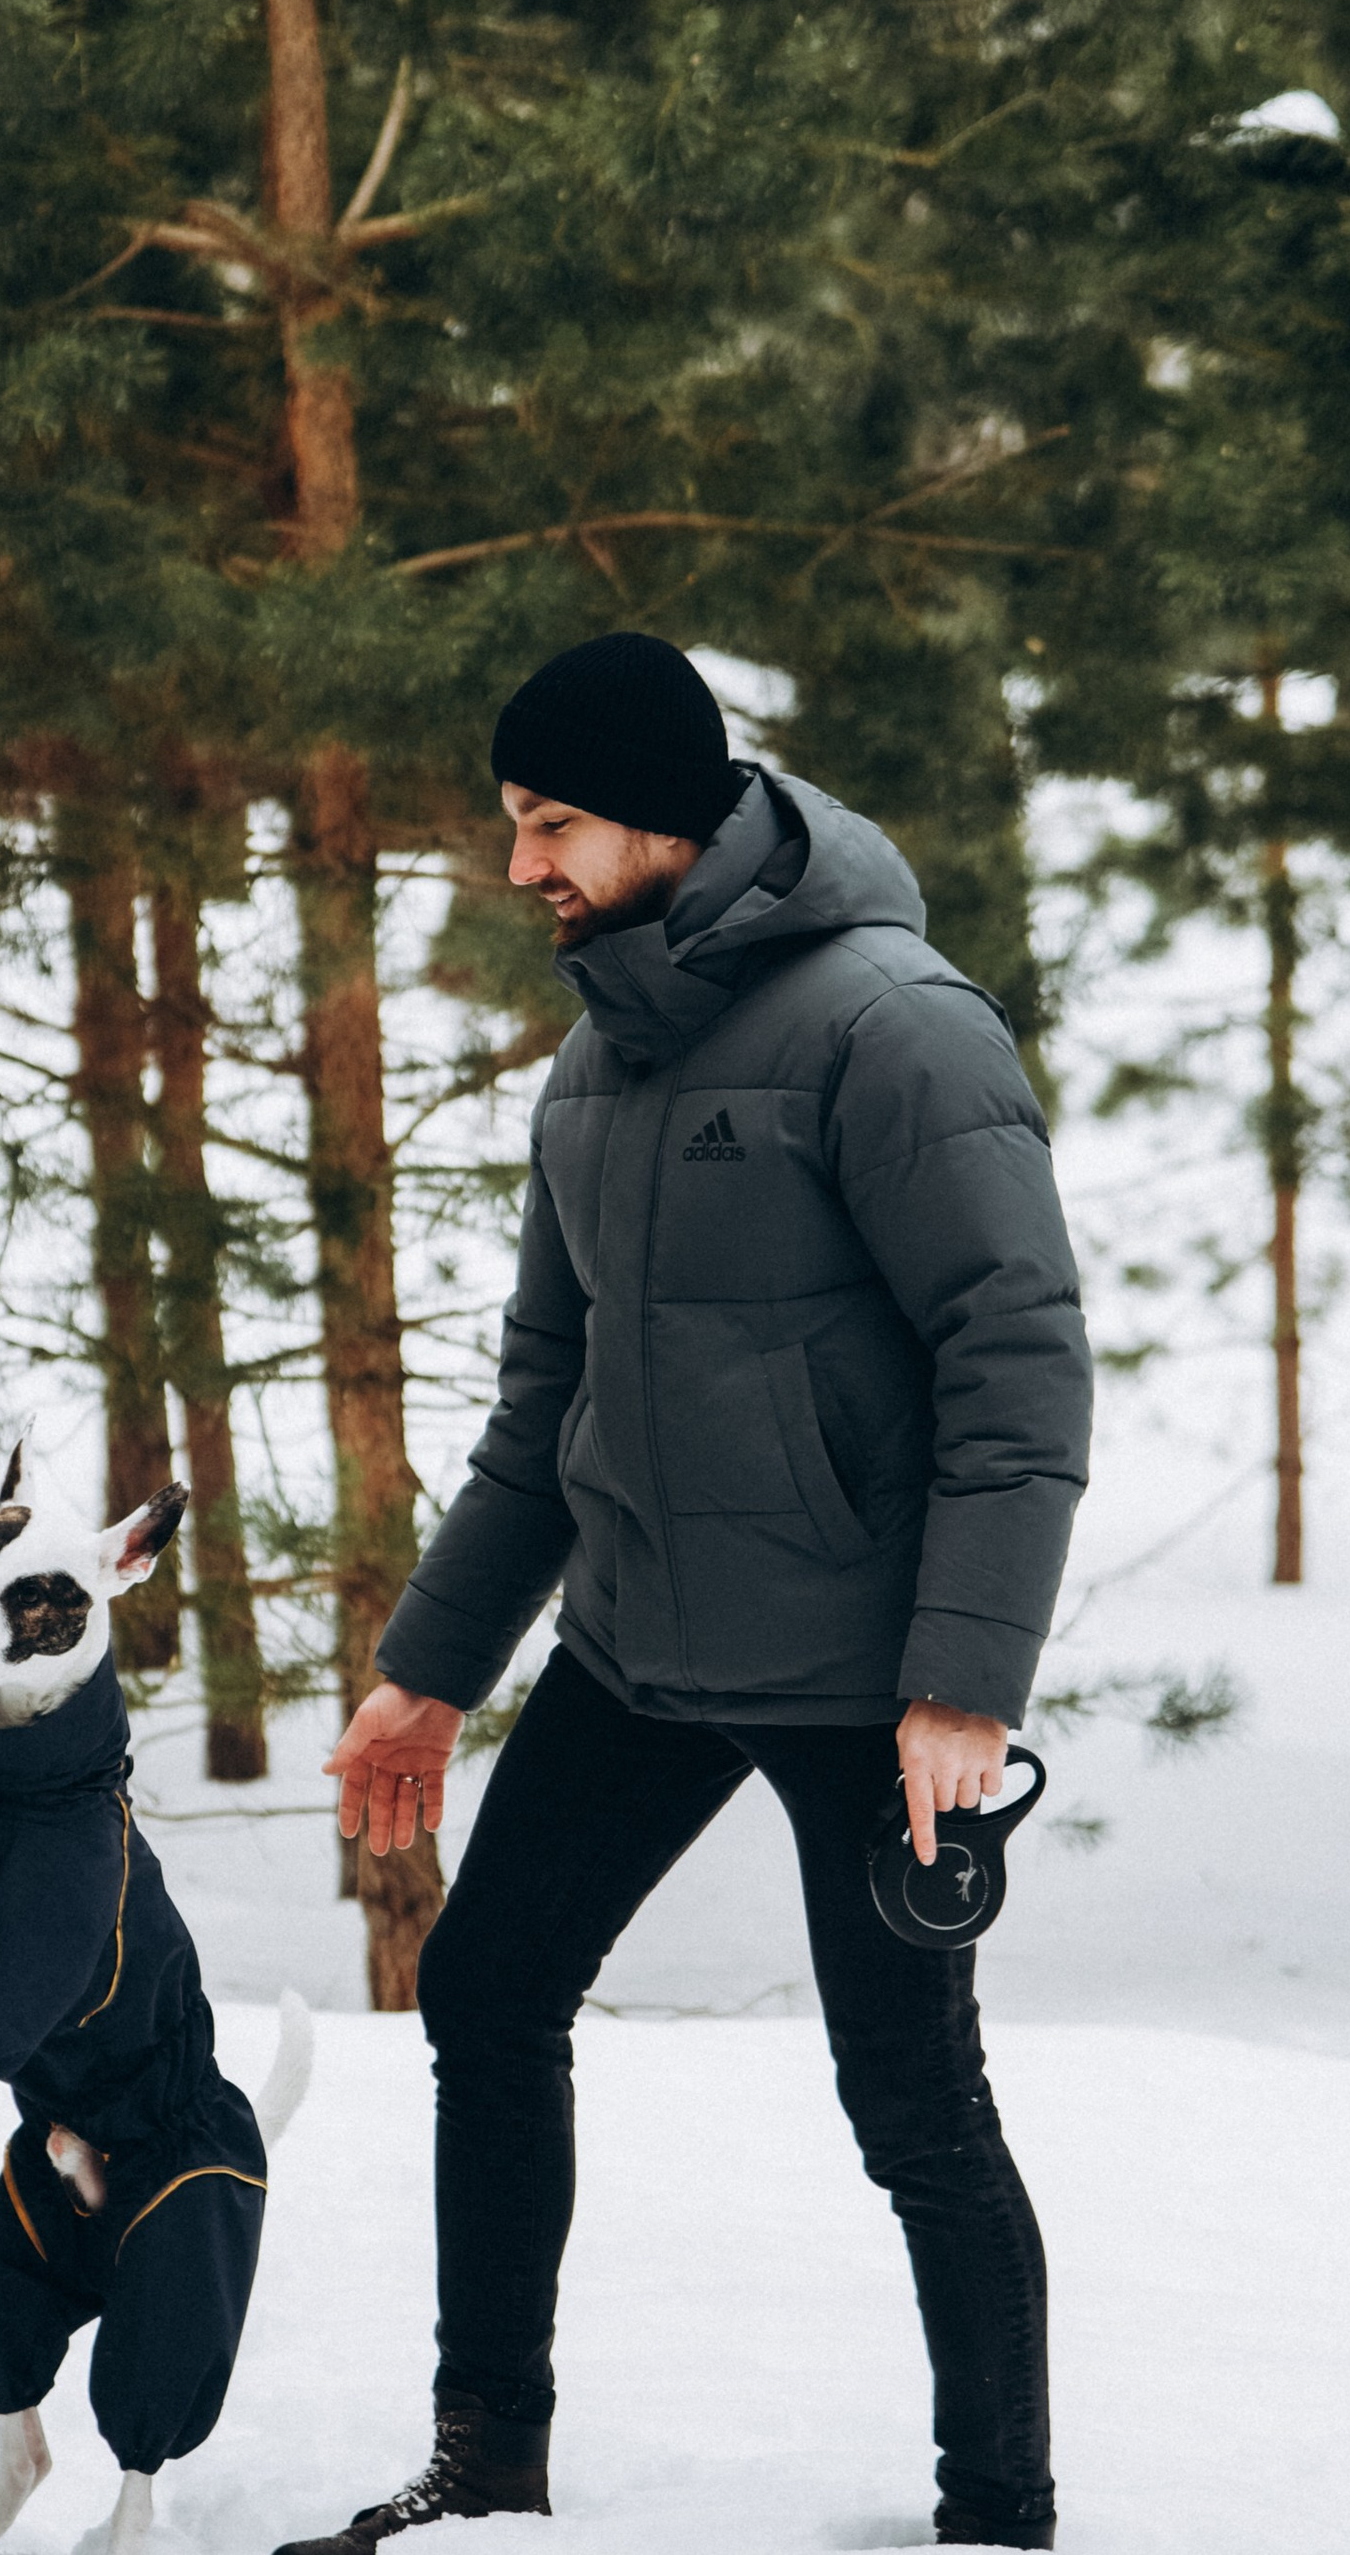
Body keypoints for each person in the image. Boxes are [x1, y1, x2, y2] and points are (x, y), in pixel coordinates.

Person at [281, 634, 1091, 2555]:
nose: (521, 870)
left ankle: (1001, 2516)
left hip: (859, 1677)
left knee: (913, 2107)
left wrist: (964, 1680)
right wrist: (428, 1673)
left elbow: (1020, 1364)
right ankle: (492, 2460)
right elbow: (542, 1403)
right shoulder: (603, 1056)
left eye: (549, 826)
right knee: (488, 1985)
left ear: (660, 812)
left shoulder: (896, 1028)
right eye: (512, 828)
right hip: (639, 1650)